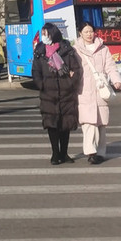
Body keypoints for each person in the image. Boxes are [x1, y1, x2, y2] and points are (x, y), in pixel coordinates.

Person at [31, 21, 81, 165]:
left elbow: (76, 69)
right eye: (43, 34)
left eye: (46, 33)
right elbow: (36, 71)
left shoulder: (66, 49)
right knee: (52, 124)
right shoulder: (40, 52)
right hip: (48, 94)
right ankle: (55, 153)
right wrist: (41, 85)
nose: (43, 36)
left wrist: (71, 83)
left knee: (65, 125)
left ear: (53, 34)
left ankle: (64, 153)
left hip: (66, 93)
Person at [75, 22, 121, 164]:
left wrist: (116, 80)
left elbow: (110, 66)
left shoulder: (103, 49)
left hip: (100, 91)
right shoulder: (76, 50)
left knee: (101, 125)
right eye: (86, 32)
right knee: (88, 124)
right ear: (80, 33)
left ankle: (101, 153)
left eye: (91, 31)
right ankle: (91, 152)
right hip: (84, 91)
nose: (89, 34)